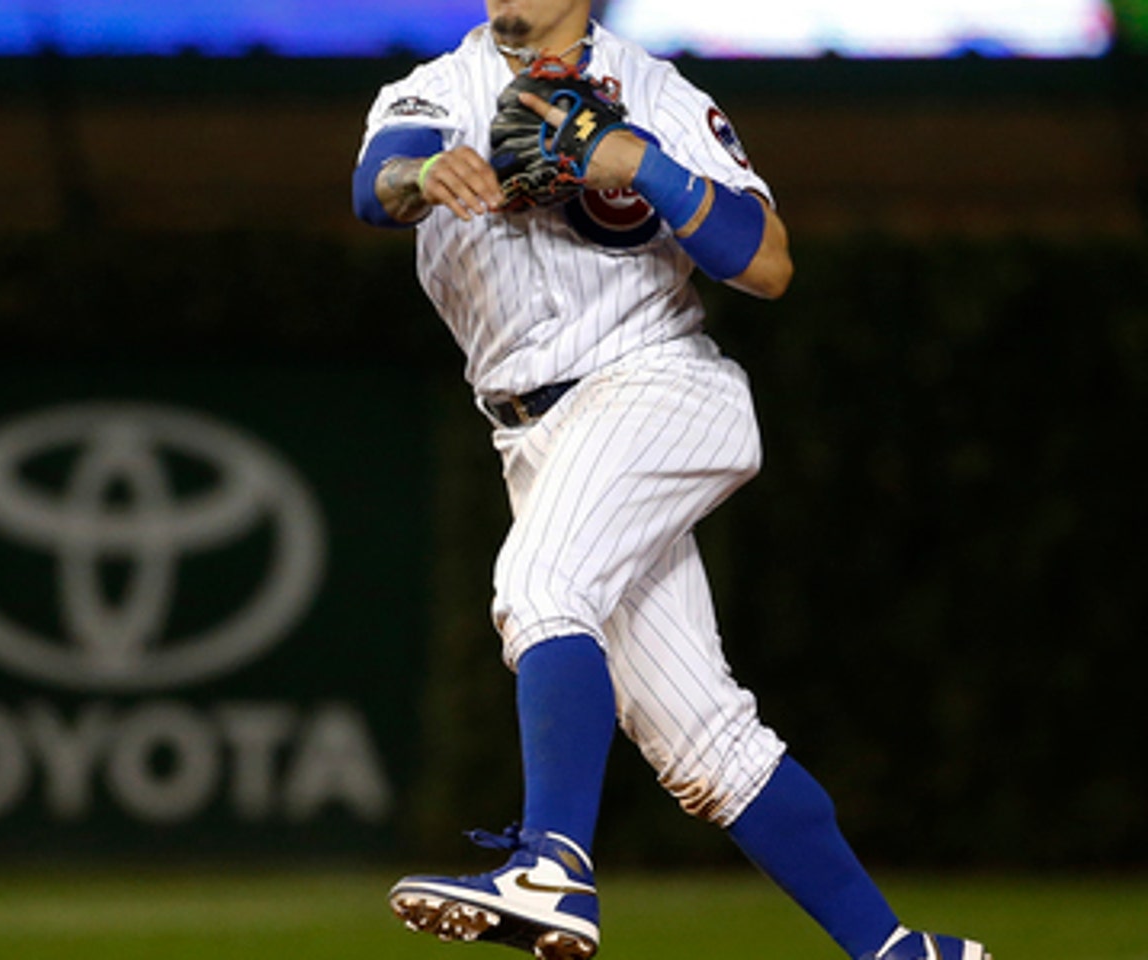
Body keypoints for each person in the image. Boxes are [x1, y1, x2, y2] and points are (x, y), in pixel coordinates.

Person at [352, 3, 991, 960]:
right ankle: (898, 950)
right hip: (535, 437)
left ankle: (552, 864)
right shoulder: (438, 90)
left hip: (657, 385)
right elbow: (376, 184)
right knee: (706, 748)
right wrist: (422, 173)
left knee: (539, 587)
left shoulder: (659, 93)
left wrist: (637, 162)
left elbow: (767, 263)